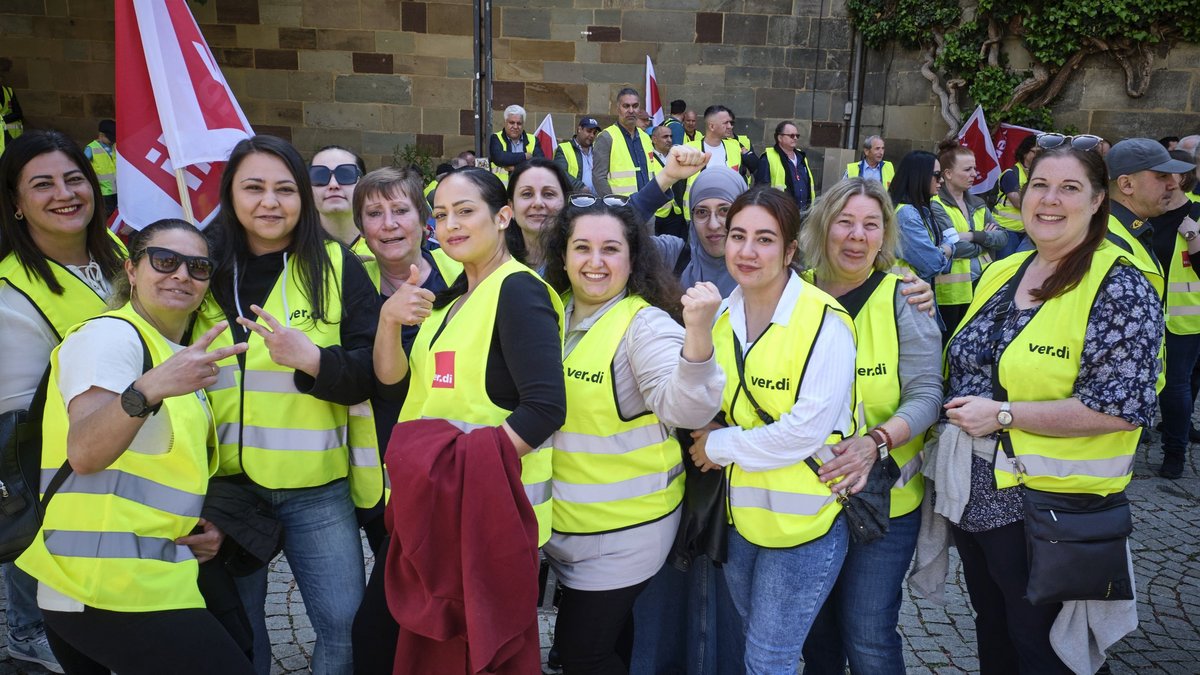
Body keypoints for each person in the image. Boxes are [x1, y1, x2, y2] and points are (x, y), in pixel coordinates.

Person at [939, 145, 1160, 673]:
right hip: (977, 496)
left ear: (1098, 200)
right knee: (994, 629)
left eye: (1069, 188)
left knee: (1047, 648)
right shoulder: (1006, 270)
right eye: (1040, 185)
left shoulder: (1119, 283)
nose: (1050, 200)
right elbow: (975, 360)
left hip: (1052, 507)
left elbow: (1123, 407)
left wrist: (1005, 415)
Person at [16, 219, 253, 675]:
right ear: (131, 269)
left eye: (198, 267)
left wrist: (203, 527)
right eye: (165, 261)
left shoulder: (170, 354)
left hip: (143, 580)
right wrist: (147, 390)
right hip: (101, 586)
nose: (182, 274)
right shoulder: (111, 337)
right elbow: (84, 452)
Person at [357, 168, 565, 671]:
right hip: (433, 507)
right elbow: (392, 380)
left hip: (479, 513)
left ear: (503, 216)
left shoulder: (518, 291)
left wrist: (462, 470)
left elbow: (546, 408)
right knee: (400, 645)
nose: (450, 225)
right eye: (442, 215)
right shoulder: (450, 298)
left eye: (466, 211)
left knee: (441, 650)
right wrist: (389, 319)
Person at [197, 135, 382, 675]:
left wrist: (316, 362)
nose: (270, 202)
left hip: (316, 489)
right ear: (230, 194)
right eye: (253, 188)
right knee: (242, 632)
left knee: (342, 628)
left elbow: (374, 369)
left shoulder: (335, 265)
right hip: (227, 490)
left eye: (284, 189)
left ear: (303, 198)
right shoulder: (200, 269)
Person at [540, 197, 724, 674]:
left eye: (610, 249)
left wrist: (698, 336)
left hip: (623, 533)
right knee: (607, 641)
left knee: (583, 654)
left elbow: (687, 406)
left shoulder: (644, 324)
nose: (595, 262)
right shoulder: (551, 312)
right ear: (563, 256)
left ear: (632, 258)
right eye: (582, 247)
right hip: (565, 525)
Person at [687, 187, 863, 673]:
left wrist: (718, 445)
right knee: (758, 646)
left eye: (765, 239)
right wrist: (697, 332)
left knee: (770, 657)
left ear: (789, 251)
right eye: (738, 236)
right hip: (744, 516)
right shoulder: (722, 313)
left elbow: (804, 431)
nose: (747, 251)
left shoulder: (825, 323)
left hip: (809, 520)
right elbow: (704, 398)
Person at [797, 179, 942, 674]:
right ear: (823, 226)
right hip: (807, 495)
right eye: (845, 222)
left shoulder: (904, 295)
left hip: (886, 497)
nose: (857, 236)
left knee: (867, 632)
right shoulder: (793, 292)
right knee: (815, 634)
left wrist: (877, 441)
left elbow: (927, 394)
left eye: (870, 225)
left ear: (885, 235)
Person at [0, 130, 126, 674]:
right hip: (62, 482)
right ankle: (29, 631)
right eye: (43, 184)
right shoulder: (10, 290)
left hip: (129, 473)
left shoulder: (119, 255)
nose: (64, 193)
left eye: (75, 179)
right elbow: (15, 427)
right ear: (17, 204)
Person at [349, 165, 463, 551]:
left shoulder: (462, 278)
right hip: (374, 475)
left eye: (400, 210)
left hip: (448, 467)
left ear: (423, 219)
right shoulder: (347, 285)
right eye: (374, 214)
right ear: (361, 229)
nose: (388, 224)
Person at [1147, 149, 1200, 478]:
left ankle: (1175, 452)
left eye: (1169, 175)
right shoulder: (1144, 215)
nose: (1164, 182)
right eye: (1158, 176)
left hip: (1185, 319)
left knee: (1176, 386)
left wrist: (1193, 235)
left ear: (1182, 177)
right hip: (1147, 314)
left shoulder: (1195, 214)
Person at [930, 140, 1006, 335]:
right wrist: (986, 241)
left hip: (982, 284)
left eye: (974, 168)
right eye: (967, 169)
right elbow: (953, 247)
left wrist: (972, 236)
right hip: (951, 293)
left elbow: (1003, 238)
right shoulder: (936, 204)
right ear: (947, 174)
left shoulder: (978, 203)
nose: (974, 174)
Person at [890, 150, 953, 289]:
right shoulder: (907, 215)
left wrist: (939, 251)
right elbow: (933, 264)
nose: (941, 180)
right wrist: (947, 249)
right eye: (937, 175)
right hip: (905, 294)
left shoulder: (920, 210)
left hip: (915, 291)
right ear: (919, 176)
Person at [506, 158, 570, 271]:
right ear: (511, 207)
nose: (538, 203)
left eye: (549, 194)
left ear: (565, 202)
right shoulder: (494, 265)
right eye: (527, 194)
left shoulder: (580, 263)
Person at [593, 88, 654, 197]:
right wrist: (613, 205)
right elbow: (598, 178)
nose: (631, 110)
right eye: (626, 106)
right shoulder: (606, 137)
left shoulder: (645, 137)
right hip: (621, 209)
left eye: (635, 106)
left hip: (647, 206)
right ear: (618, 109)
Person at [309, 145, 366, 251]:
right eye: (320, 176)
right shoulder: (294, 249)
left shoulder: (386, 245)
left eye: (345, 174)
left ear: (363, 184)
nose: (333, 184)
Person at [992, 135, 1039, 254]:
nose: (1037, 156)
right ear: (1024, 153)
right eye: (1033, 152)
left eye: (1040, 152)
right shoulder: (1011, 174)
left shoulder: (1036, 176)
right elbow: (1018, 203)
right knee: (1005, 267)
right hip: (1006, 229)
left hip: (1026, 231)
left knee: (1020, 267)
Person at [756, 121, 816, 210]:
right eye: (791, 135)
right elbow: (761, 190)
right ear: (780, 137)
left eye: (797, 136)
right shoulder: (768, 157)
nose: (795, 138)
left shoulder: (801, 157)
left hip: (804, 212)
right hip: (781, 212)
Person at [649, 124, 687, 239]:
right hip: (655, 212)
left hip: (675, 211)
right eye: (665, 137)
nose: (669, 140)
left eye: (671, 136)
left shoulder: (677, 156)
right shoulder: (646, 157)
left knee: (673, 249)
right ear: (654, 139)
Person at [489, 104, 542, 186]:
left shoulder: (533, 139)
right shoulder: (496, 138)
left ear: (523, 124)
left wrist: (515, 168)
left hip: (527, 188)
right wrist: (525, 156)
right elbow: (499, 158)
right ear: (505, 122)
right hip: (502, 190)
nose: (515, 126)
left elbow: (540, 163)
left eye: (519, 123)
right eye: (512, 123)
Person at [554, 116, 601, 193]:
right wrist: (580, 187)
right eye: (589, 131)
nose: (592, 135)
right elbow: (560, 173)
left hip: (597, 200)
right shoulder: (564, 148)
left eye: (594, 133)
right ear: (579, 129)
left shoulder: (597, 150)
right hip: (575, 199)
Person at [83, 120, 117, 216]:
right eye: (110, 138)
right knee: (106, 213)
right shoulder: (91, 148)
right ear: (101, 135)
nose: (112, 141)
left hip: (117, 188)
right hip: (103, 191)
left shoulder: (114, 146)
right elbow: (83, 165)